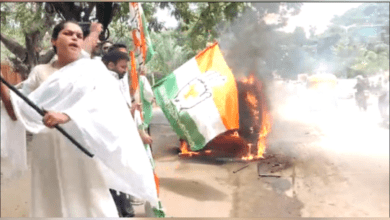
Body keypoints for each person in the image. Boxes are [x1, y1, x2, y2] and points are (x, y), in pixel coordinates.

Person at [1, 20, 158, 217]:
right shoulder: (39, 72)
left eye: (78, 35)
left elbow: (105, 106)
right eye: (68, 34)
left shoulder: (93, 70)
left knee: (93, 204)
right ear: (54, 41)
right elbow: (15, 110)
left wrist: (67, 115)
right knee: (51, 204)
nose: (75, 38)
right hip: (48, 151)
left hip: (81, 150)